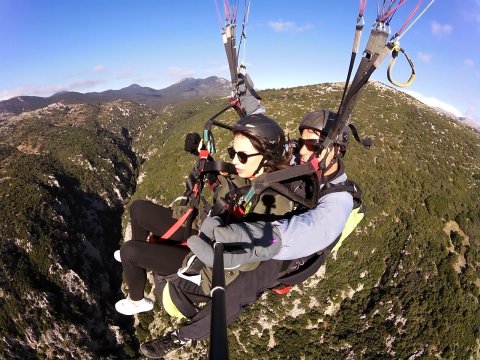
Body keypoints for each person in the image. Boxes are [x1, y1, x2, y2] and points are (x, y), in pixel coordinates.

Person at [139, 109, 360, 359]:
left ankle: (182, 336)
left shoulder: (339, 198)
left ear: (336, 149)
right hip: (273, 216)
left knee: (240, 290)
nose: (302, 149)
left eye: (311, 143)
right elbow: (261, 128)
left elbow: (313, 231)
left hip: (284, 251)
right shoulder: (303, 158)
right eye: (301, 141)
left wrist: (257, 239)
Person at [114, 113, 292, 316]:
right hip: (204, 232)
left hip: (207, 264)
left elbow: (255, 254)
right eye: (233, 151)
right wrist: (202, 154)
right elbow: (223, 186)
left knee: (130, 252)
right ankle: (139, 263)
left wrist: (225, 237)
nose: (234, 159)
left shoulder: (274, 201)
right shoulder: (250, 176)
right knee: (138, 209)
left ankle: (137, 300)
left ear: (267, 158)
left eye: (241, 156)